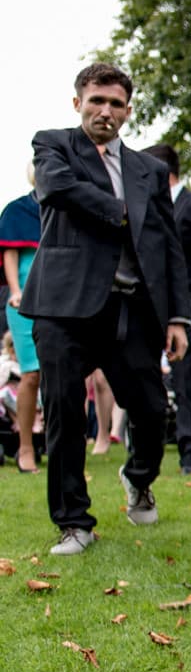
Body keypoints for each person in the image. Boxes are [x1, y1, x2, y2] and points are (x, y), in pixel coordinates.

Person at [23, 63, 190, 555]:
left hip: (131, 309)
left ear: (128, 111)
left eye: (116, 103)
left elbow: (168, 245)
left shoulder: (149, 170)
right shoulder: (53, 145)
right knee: (64, 412)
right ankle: (74, 523)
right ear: (78, 103)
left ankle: (138, 476)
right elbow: (57, 188)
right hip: (63, 306)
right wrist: (121, 211)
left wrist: (177, 317)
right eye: (96, 100)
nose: (105, 111)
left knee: (152, 409)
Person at [142, 143, 191, 475]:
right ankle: (146, 451)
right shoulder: (146, 210)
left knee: (187, 381)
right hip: (151, 308)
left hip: (189, 311)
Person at [1, 173, 42, 473]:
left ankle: (64, 444)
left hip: (63, 303)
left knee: (66, 376)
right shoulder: (17, 211)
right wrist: (15, 291)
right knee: (31, 374)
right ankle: (25, 447)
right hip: (24, 302)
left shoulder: (67, 210)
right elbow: (10, 255)